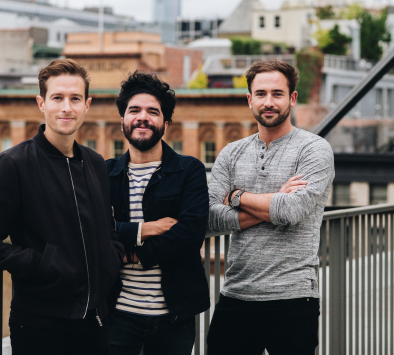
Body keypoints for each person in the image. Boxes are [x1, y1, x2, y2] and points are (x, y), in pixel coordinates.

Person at [0, 59, 124, 355]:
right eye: (57, 98)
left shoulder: (96, 163)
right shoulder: (13, 164)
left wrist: (112, 258)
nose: (67, 107)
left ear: (87, 105)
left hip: (96, 322)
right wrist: (42, 263)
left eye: (75, 99)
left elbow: (107, 228)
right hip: (41, 324)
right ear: (41, 103)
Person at [207, 60, 334, 355]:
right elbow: (212, 218)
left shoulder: (314, 149)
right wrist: (275, 199)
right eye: (261, 94)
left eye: (277, 94)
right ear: (249, 100)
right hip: (236, 294)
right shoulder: (231, 152)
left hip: (293, 297)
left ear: (292, 98)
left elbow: (291, 211)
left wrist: (237, 195)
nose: (268, 102)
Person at [106, 71, 210, 355]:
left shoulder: (189, 170)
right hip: (117, 312)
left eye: (153, 111)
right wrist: (145, 229)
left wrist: (135, 254)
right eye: (134, 110)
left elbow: (190, 233)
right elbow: (93, 230)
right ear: (123, 120)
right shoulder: (105, 173)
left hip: (174, 313)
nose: (143, 117)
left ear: (166, 122)